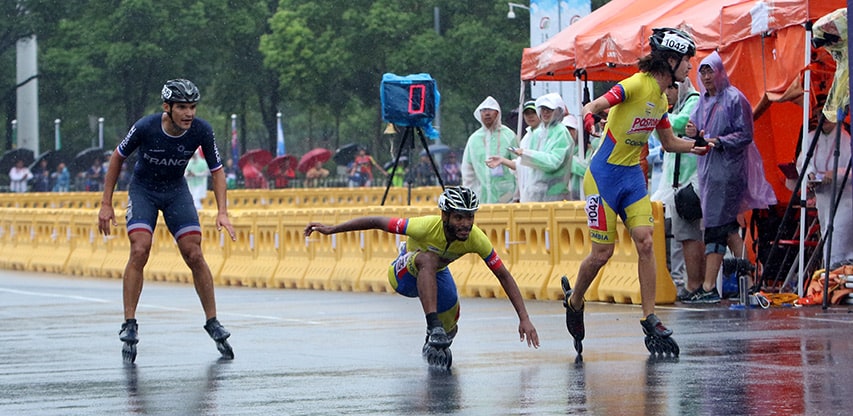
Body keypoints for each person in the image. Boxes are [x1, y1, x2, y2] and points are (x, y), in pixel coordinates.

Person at [567, 28, 710, 356]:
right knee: (602, 254)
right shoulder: (635, 84)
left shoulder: (661, 98)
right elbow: (594, 105)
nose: (690, 67)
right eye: (687, 60)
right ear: (671, 60)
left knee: (645, 240)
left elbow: (669, 143)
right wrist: (590, 121)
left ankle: (650, 318)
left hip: (631, 176)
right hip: (603, 177)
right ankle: (575, 301)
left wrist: (697, 148)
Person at [303, 186, 539, 367]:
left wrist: (524, 318)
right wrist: (332, 229)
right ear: (445, 216)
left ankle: (434, 339)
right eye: (459, 217)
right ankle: (432, 325)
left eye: (470, 217)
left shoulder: (476, 238)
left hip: (435, 275)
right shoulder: (424, 226)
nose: (465, 225)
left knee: (452, 326)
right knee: (427, 258)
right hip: (403, 274)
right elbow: (376, 221)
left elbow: (503, 275)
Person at [97, 78, 237, 361]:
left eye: (193, 107)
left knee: (194, 252)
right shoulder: (145, 127)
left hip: (175, 191)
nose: (189, 114)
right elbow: (117, 158)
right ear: (167, 107)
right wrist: (105, 204)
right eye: (182, 107)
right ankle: (130, 322)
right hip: (144, 190)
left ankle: (212, 320)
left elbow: (217, 170)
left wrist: (222, 211)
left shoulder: (201, 130)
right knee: (140, 248)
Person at [684, 51, 775, 304]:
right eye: (702, 71)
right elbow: (694, 128)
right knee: (726, 227)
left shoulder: (736, 99)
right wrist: (692, 131)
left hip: (730, 171)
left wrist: (719, 142)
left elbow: (746, 134)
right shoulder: (703, 100)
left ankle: (709, 285)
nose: (706, 76)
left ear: (720, 71)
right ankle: (750, 275)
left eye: (710, 71)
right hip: (708, 173)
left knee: (717, 227)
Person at [649, 80, 703, 300]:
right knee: (677, 234)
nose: (668, 92)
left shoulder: (694, 101)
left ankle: (690, 283)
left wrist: (655, 114)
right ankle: (682, 279)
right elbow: (659, 136)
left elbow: (680, 124)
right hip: (673, 182)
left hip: (689, 182)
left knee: (687, 235)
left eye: (672, 88)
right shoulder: (676, 107)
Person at [487, 93, 573, 202]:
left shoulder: (561, 133)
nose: (545, 112)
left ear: (558, 111)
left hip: (554, 196)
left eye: (549, 109)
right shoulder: (537, 133)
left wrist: (525, 153)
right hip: (533, 194)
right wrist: (503, 160)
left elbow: (553, 162)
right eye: (543, 109)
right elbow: (525, 165)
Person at [794, 119, 853, 267]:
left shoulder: (847, 138)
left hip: (844, 198)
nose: (824, 119)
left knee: (837, 238)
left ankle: (837, 275)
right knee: (827, 235)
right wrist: (810, 175)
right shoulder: (810, 138)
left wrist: (837, 174)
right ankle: (830, 277)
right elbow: (802, 163)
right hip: (823, 198)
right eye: (820, 114)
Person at [461, 96, 518, 203]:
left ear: (497, 113)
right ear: (479, 114)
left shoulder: (509, 135)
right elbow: (468, 171)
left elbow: (518, 166)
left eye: (490, 110)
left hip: (508, 198)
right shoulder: (474, 139)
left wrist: (517, 195)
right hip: (481, 199)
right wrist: (468, 197)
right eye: (483, 111)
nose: (487, 113)